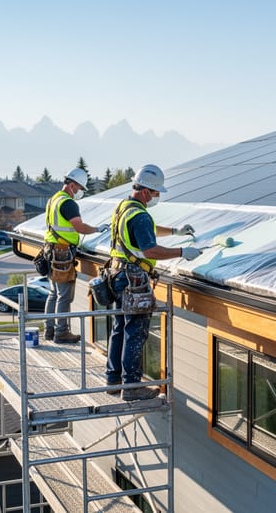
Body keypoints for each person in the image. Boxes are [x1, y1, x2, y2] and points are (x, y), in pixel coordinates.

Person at [107, 164, 201, 401]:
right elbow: (149, 249)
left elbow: (146, 231)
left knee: (119, 328)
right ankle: (132, 387)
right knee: (135, 332)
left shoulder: (124, 208)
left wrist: (174, 231)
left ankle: (113, 380)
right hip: (132, 280)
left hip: (116, 276)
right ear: (147, 191)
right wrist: (181, 251)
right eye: (157, 193)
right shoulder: (139, 215)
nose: (157, 197)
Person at [43, 168, 109, 343]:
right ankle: (61, 333)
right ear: (72, 185)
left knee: (54, 293)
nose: (79, 192)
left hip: (51, 250)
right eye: (79, 188)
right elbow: (79, 227)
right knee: (64, 295)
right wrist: (97, 229)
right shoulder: (68, 203)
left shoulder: (53, 199)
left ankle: (49, 330)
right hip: (62, 252)